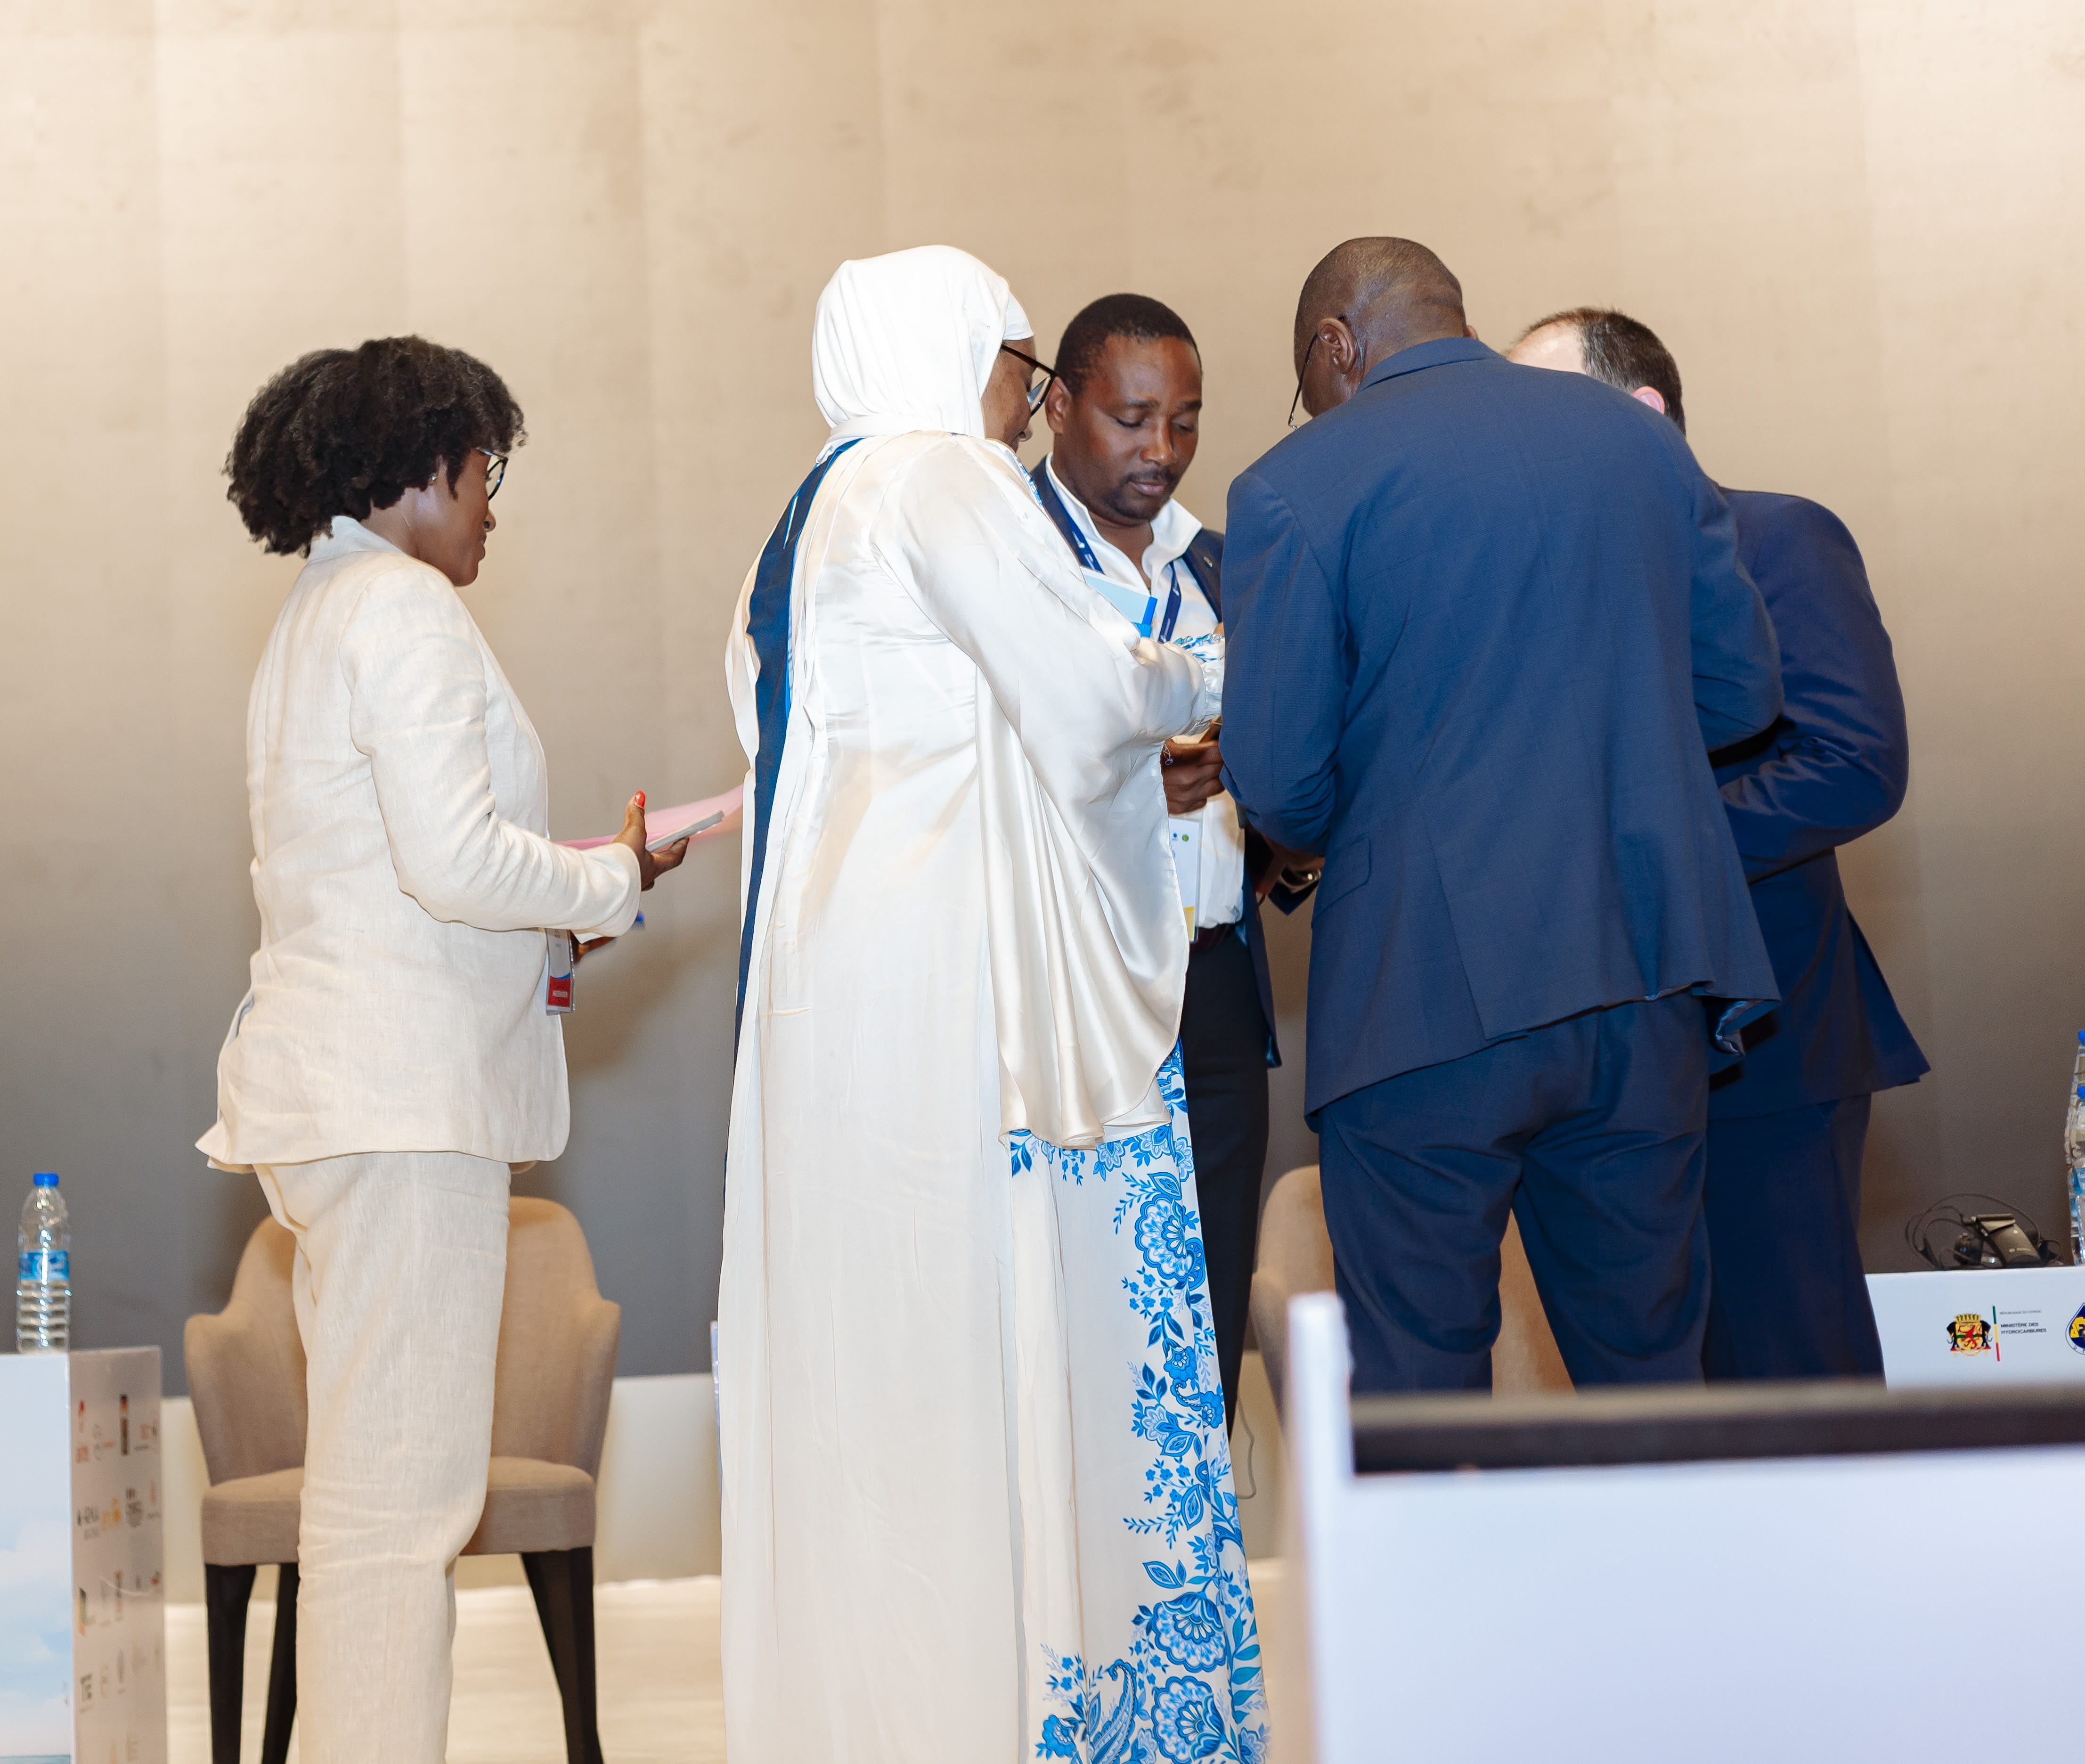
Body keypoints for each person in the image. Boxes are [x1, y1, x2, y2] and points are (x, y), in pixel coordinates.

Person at [719, 247, 1263, 1764]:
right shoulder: (936, 476)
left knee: (885, 1361)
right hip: (956, 974)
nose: (1021, 404)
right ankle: (1018, 1704)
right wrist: (1197, 674)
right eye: (1017, 366)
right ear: (943, 348)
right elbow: (1084, 699)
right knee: (995, 1340)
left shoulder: (808, 511)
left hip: (837, 992)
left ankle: (894, 1711)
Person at [197, 337, 687, 1763]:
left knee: (368, 1504)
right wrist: (610, 877)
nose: (491, 510)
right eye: (485, 476)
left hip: (344, 1093)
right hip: (399, 1105)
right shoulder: (400, 608)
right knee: (399, 1514)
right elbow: (456, 858)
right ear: (425, 470)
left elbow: (392, 878)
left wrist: (565, 922)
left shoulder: (316, 611)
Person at [1221, 237, 1784, 1393]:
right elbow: (1740, 693)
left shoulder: (1292, 486)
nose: (1314, 406)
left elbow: (1275, 782)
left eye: (1306, 381)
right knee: (1649, 1374)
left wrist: (1370, 818)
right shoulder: (1634, 437)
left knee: (1418, 1394)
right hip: (1642, 976)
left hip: (1420, 994)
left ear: (1336, 344)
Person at [1510, 308, 1928, 1380]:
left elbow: (1852, 762)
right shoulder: (1539, 590)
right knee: (1663, 1410)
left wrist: (1636, 851)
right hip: (1603, 1071)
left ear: (1643, 413)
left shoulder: (1776, 538)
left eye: (1540, 410)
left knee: (1795, 1386)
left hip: (1768, 1051)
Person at [1026, 292, 1317, 1429]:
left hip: (1215, 988)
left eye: (1184, 421)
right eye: (1131, 419)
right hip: (1072, 985)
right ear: (1059, 405)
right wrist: (1125, 797)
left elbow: (1291, 759)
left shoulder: (1223, 569)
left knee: (1210, 1290)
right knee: (1082, 1308)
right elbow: (958, 782)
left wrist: (1279, 826)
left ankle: (1198, 1533)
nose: (1161, 449)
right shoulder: (1007, 564)